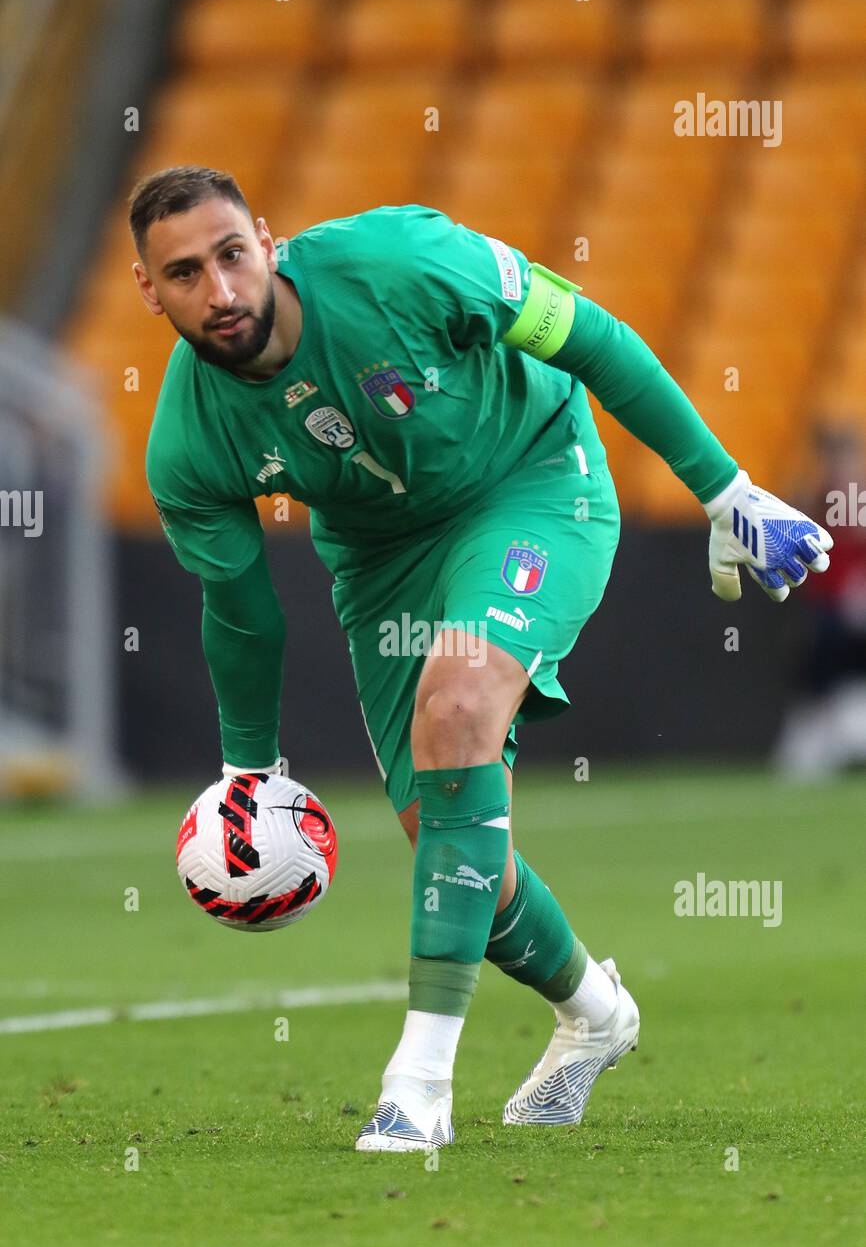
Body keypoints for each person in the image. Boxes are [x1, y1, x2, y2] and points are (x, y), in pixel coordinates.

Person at [131, 165, 832, 1151]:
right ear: (147, 289)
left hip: (534, 478)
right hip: (381, 561)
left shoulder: (403, 263)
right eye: (185, 273)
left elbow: (587, 334)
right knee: (450, 845)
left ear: (267, 240)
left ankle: (417, 1083)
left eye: (231, 255)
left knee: (458, 706)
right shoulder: (187, 443)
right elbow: (242, 614)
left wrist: (724, 490)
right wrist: (247, 773)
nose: (220, 292)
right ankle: (594, 1012)